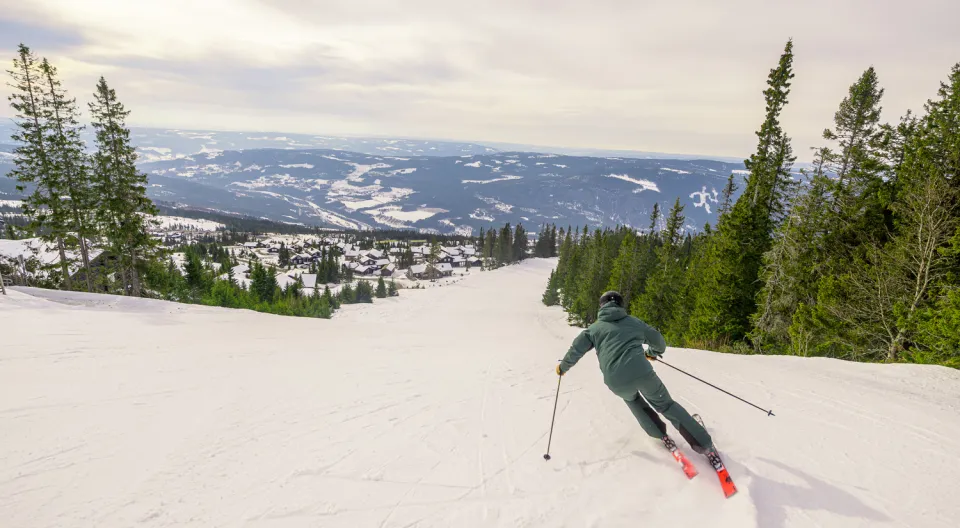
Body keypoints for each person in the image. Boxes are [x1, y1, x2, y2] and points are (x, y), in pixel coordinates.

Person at [555, 291, 714, 455]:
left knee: (633, 400)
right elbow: (659, 342)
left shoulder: (593, 330)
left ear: (601, 306)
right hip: (642, 373)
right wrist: (652, 353)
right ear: (621, 305)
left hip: (616, 381)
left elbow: (576, 351)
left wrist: (563, 368)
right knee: (666, 405)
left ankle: (657, 432)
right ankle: (702, 443)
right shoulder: (634, 323)